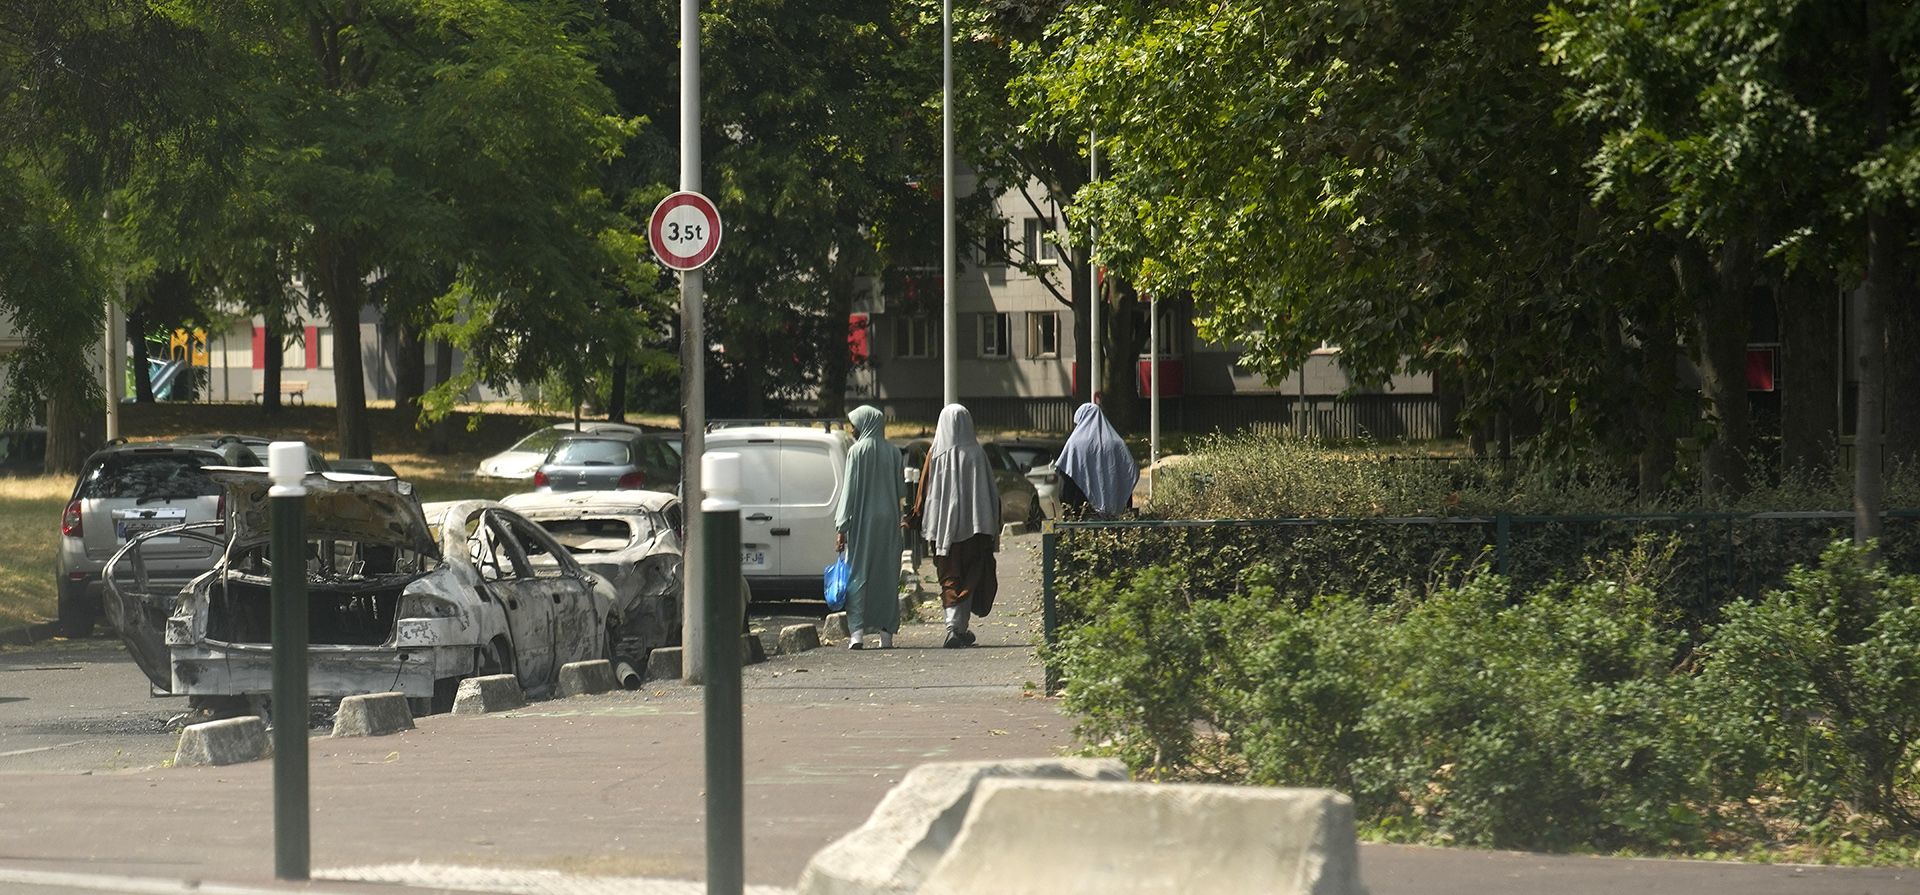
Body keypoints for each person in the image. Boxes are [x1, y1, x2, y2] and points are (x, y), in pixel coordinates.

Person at [909, 404, 1000, 648]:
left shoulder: (935, 453)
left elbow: (923, 490)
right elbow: (991, 494)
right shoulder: (977, 454)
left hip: (942, 528)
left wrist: (917, 516)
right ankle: (959, 627)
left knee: (949, 575)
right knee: (971, 573)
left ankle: (953, 626)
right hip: (975, 527)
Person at [835, 405, 905, 649]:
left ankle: (857, 633)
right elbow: (901, 493)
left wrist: (841, 527)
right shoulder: (895, 453)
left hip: (863, 522)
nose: (852, 428)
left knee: (858, 575)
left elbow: (849, 492)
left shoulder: (856, 452)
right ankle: (886, 635)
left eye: (854, 423)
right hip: (889, 523)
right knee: (886, 576)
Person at [1055, 401, 1138, 519]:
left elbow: (1065, 483)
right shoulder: (1117, 444)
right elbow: (1128, 476)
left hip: (1081, 514)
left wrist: (1068, 510)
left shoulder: (1074, 444)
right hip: (1115, 516)